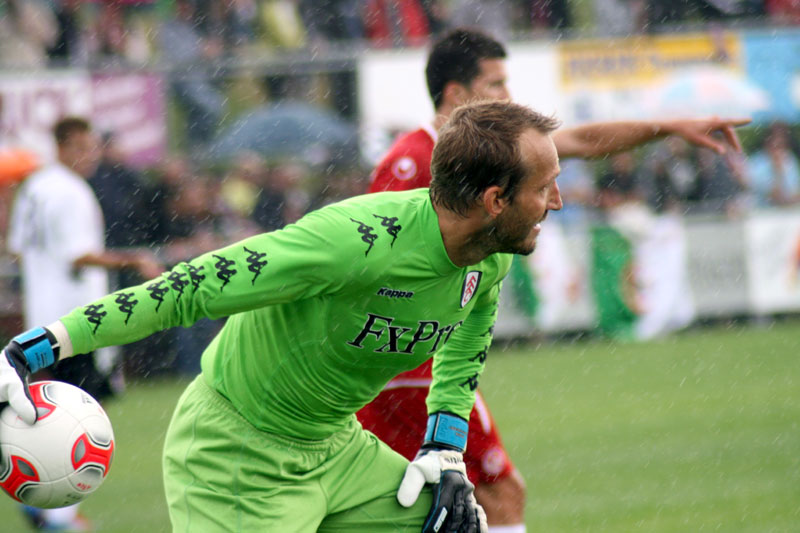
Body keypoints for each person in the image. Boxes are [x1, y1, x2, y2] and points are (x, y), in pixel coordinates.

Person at [1, 100, 563, 532]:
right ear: (494, 200)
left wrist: (443, 446)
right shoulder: (354, 241)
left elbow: (465, 344)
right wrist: (32, 349)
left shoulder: (488, 257)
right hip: (237, 455)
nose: (556, 201)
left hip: (338, 449)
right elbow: (187, 288)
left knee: (459, 524)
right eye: (545, 188)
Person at [362, 27, 749, 532]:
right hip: (411, 368)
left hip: (424, 362)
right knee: (499, 493)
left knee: (427, 508)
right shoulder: (412, 161)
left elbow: (582, 141)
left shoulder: (489, 154)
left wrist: (668, 127)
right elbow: (371, 262)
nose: (508, 96)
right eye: (496, 84)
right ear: (456, 95)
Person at [5, 116, 162, 531]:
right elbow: (78, 255)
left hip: (43, 323)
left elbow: (18, 249)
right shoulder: (70, 191)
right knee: (75, 422)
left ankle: (45, 506)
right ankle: (59, 515)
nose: (91, 154)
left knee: (48, 414)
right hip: (77, 326)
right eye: (84, 146)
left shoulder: (35, 187)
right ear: (65, 146)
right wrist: (134, 259)